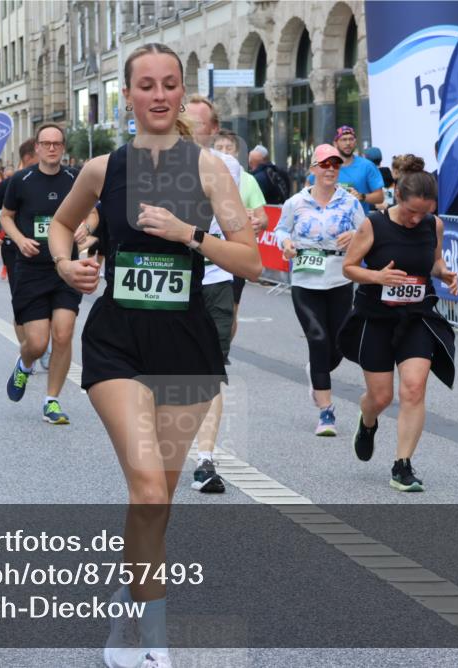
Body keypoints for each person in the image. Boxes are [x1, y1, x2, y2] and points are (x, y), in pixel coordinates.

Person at [47, 43, 260, 667]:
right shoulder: (102, 170)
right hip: (116, 341)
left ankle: (130, 604)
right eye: (147, 85)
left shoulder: (211, 170)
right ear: (129, 95)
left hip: (186, 345)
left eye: (170, 83)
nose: (159, 94)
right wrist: (68, 264)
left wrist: (190, 235)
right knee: (145, 490)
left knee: (158, 503)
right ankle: (154, 644)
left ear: (181, 90)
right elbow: (62, 226)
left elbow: (252, 260)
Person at [339, 155, 458, 492]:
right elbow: (349, 267)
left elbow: (434, 262)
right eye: (411, 212)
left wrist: (444, 272)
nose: (416, 219)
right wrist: (377, 276)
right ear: (398, 198)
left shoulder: (433, 224)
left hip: (417, 315)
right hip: (377, 318)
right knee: (379, 396)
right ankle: (367, 422)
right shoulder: (374, 224)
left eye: (424, 212)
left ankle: (402, 465)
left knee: (414, 387)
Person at [0, 124, 92, 425]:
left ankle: (51, 400)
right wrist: (18, 238)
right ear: (36, 148)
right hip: (32, 268)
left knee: (63, 333)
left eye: (57, 143)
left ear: (63, 148)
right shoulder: (21, 180)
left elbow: (93, 210)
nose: (52, 148)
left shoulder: (76, 179)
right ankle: (25, 364)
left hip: (66, 268)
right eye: (46, 143)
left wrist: (87, 226)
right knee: (37, 343)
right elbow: (6, 216)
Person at [184, 95, 251, 493]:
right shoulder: (153, 162)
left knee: (210, 371)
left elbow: (239, 230)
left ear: (212, 130)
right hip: (171, 282)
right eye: (184, 120)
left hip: (213, 280)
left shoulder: (227, 167)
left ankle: (205, 461)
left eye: (198, 123)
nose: (190, 128)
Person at [277, 144, 364, 436]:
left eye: (335, 165)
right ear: (313, 169)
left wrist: (355, 235)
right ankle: (326, 412)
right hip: (305, 278)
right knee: (317, 337)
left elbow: (368, 233)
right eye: (324, 164)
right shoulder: (295, 202)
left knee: (339, 344)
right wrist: (286, 244)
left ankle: (316, 368)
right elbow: (281, 230)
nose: (330, 170)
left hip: (339, 277)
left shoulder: (350, 203)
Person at [213, 128, 268, 341]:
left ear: (237, 153)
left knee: (230, 310)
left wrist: (254, 221)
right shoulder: (201, 174)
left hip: (235, 252)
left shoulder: (248, 180)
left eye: (229, 148)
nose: (225, 152)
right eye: (220, 148)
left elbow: (263, 219)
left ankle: (222, 353)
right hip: (207, 253)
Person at [0, 138, 38, 345]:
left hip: (49, 251)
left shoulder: (55, 180)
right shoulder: (9, 184)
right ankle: (27, 350)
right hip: (14, 251)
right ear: (30, 157)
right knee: (22, 302)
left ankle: (43, 342)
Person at [332, 126, 384, 213]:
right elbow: (311, 188)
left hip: (359, 223)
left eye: (351, 139)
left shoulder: (367, 166)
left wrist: (362, 196)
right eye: (344, 140)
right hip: (332, 222)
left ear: (355, 142)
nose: (348, 143)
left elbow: (380, 197)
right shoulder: (328, 166)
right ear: (335, 143)